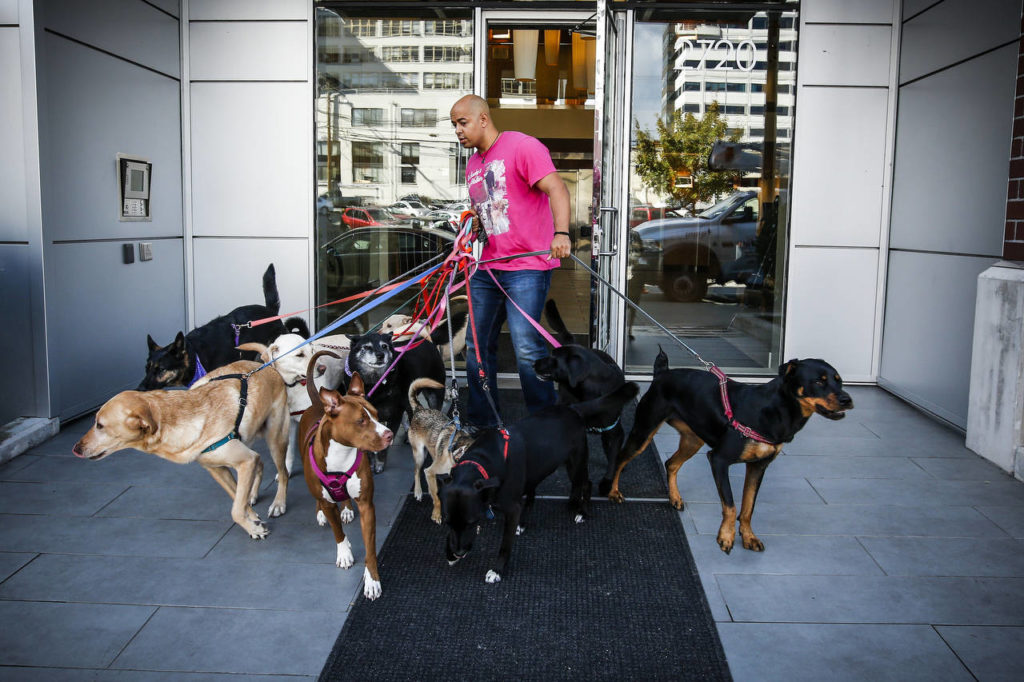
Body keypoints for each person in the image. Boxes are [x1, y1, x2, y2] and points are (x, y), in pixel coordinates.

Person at [449, 94, 571, 428]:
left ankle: (545, 424)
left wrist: (561, 233)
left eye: (463, 122)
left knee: (526, 347)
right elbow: (491, 212)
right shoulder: (473, 164)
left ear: (483, 119)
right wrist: (474, 223)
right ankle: (484, 423)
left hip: (526, 268)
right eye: (454, 124)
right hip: (487, 269)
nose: (457, 130)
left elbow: (558, 190)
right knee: (476, 347)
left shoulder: (522, 146)